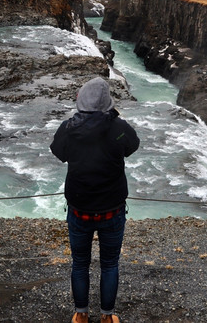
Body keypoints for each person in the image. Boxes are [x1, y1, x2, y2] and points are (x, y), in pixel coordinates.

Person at [50, 77, 140, 323]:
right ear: (106, 103)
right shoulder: (118, 129)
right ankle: (107, 317)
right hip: (112, 210)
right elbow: (133, 146)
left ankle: (80, 314)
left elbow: (58, 151)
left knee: (80, 263)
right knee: (109, 264)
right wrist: (113, 119)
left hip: (80, 210)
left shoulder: (69, 128)